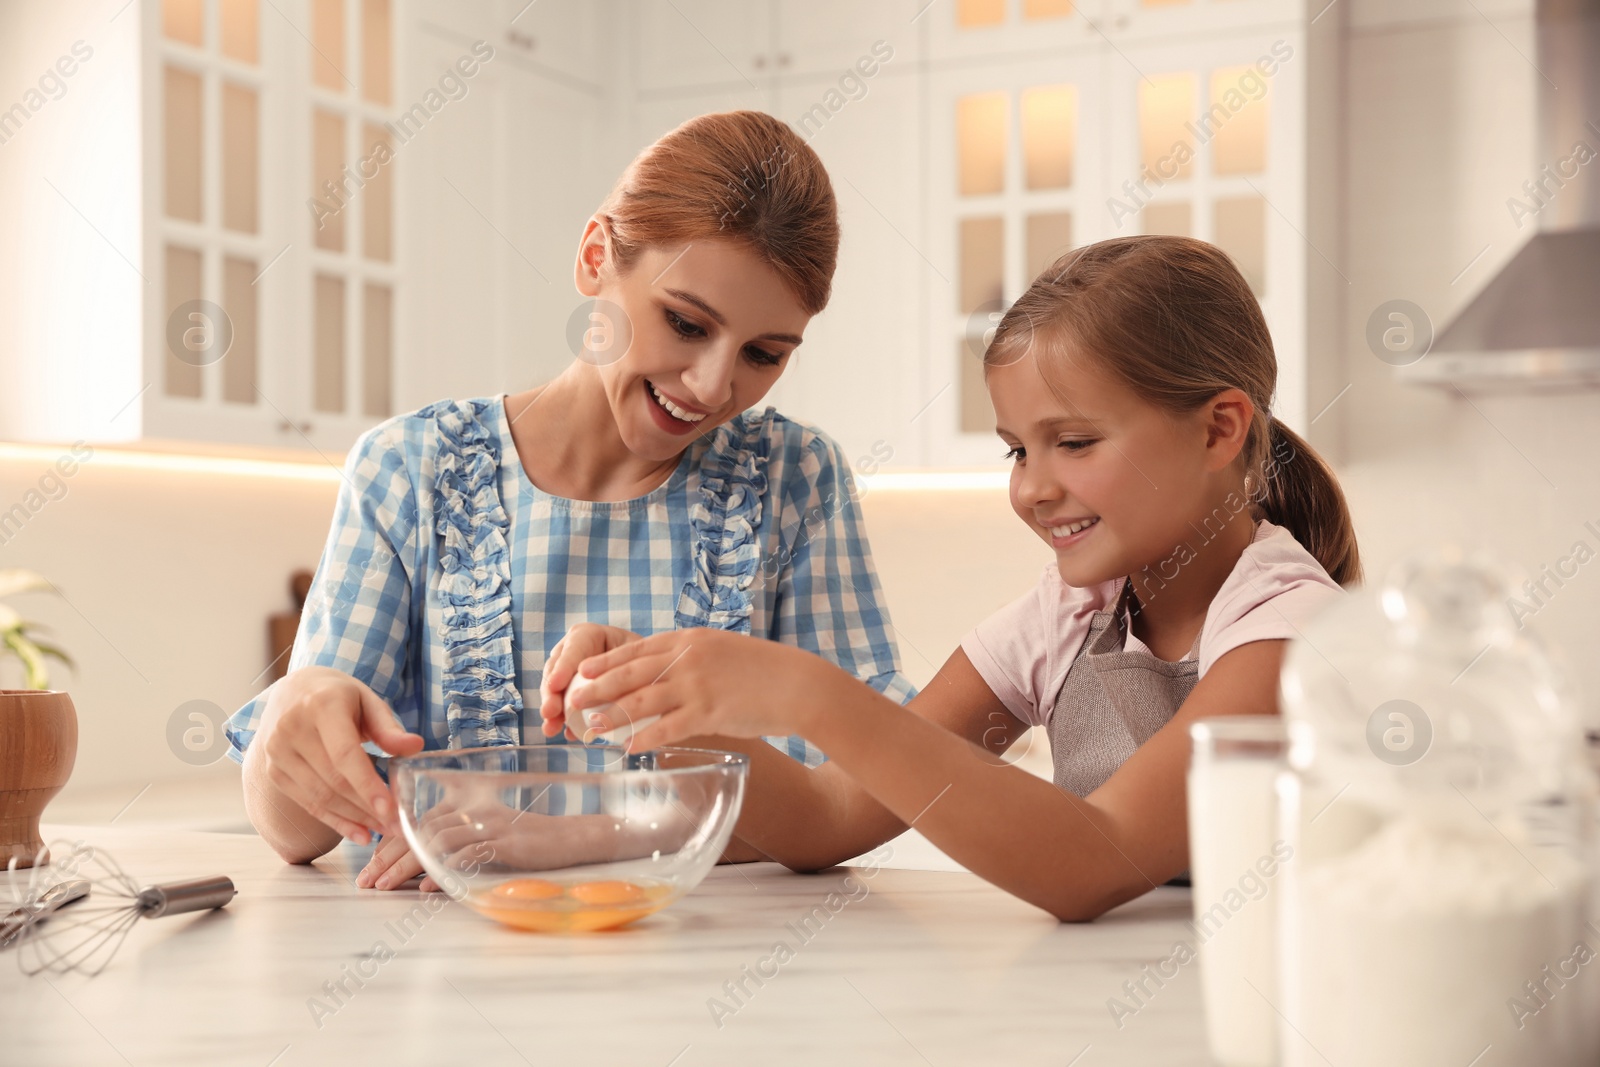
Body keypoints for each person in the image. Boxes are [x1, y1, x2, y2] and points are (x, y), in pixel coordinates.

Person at [547, 235, 1360, 921]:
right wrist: (652, 689)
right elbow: (829, 817)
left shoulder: (1290, 630)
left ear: (1219, 429)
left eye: (1073, 441)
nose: (1032, 487)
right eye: (1017, 449)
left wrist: (807, 693)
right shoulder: (1070, 616)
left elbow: (1092, 858)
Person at [223, 111, 916, 890]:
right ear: (595, 258)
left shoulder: (796, 477)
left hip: (712, 967)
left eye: (763, 354)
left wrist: (572, 838)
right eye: (685, 323)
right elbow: (297, 832)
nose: (715, 385)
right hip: (444, 972)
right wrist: (296, 708)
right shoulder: (408, 469)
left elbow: (865, 791)